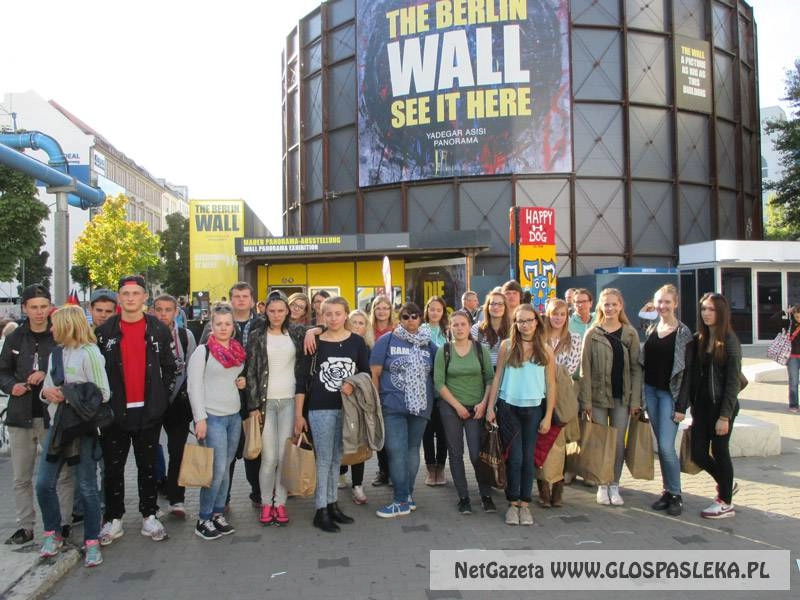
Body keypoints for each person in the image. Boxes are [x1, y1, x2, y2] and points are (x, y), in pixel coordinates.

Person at [95, 275, 176, 545]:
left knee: (148, 466)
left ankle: (149, 515)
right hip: (114, 413)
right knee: (113, 468)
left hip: (148, 412)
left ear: (145, 297)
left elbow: (170, 367)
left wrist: (160, 399)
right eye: (126, 293)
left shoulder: (158, 329)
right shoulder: (104, 332)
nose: (130, 298)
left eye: (136, 293)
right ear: (119, 297)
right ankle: (114, 518)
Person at [36, 305, 110, 567]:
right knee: (43, 483)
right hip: (58, 426)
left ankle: (92, 540)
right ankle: (53, 532)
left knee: (87, 486)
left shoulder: (90, 353)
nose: (51, 329)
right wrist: (46, 393)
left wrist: (68, 393)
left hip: (81, 428)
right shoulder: (56, 353)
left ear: (67, 325)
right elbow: (47, 389)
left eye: (55, 324)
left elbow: (103, 393)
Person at [0, 284, 73, 545]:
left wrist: (46, 373)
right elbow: (2, 371)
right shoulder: (15, 337)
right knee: (21, 476)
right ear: (25, 308)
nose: (39, 312)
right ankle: (25, 526)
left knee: (62, 473)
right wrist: (11, 386)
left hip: (51, 415)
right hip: (20, 416)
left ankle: (63, 522)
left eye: (43, 307)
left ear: (50, 307)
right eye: (34, 307)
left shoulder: (59, 335)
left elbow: (71, 370)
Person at [295, 296, 370, 532]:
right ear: (322, 315)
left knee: (337, 457)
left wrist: (353, 384)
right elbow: (301, 380)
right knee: (324, 458)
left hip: (347, 409)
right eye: (329, 314)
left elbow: (366, 373)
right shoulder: (314, 341)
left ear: (346, 314)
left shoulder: (357, 342)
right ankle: (320, 510)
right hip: (320, 408)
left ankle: (332, 504)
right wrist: (298, 414)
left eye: (338, 313)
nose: (334, 318)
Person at [487, 304, 555, 526]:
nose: (525, 325)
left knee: (528, 459)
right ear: (515, 323)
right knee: (514, 458)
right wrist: (490, 407)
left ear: (537, 322)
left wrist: (548, 416)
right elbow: (497, 377)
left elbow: (551, 385)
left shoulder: (546, 349)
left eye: (529, 320)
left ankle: (525, 505)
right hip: (509, 408)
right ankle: (512, 503)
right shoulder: (507, 346)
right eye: (520, 321)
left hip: (534, 409)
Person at [200, 282, 263, 509]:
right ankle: (222, 500)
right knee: (226, 455)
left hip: (251, 394)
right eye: (237, 296)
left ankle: (257, 493)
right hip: (223, 399)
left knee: (254, 446)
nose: (241, 300)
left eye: (245, 296)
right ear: (231, 299)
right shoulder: (218, 324)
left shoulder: (261, 323)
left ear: (252, 300)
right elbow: (204, 361)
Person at [371, 302, 437, 518]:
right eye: (406, 316)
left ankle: (404, 498)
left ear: (420, 318)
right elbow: (375, 374)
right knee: (396, 451)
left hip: (420, 406)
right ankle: (402, 498)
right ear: (399, 319)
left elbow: (439, 373)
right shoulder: (387, 340)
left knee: (412, 449)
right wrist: (376, 402)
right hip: (393, 405)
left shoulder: (429, 344)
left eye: (414, 316)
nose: (411, 320)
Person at [679, 293, 742, 519]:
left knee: (720, 451)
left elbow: (733, 382)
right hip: (702, 407)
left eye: (711, 309)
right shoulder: (699, 338)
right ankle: (727, 483)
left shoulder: (730, 341)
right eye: (704, 309)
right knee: (697, 453)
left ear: (721, 312)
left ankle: (725, 503)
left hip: (721, 407)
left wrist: (724, 416)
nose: (706, 313)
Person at [188, 303, 248, 539]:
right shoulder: (202, 352)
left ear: (233, 327)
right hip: (212, 417)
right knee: (216, 469)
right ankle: (203, 518)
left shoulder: (237, 351)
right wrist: (199, 419)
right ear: (211, 326)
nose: (223, 328)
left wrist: (242, 381)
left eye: (227, 324)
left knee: (226, 469)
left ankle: (217, 513)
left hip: (233, 415)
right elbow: (194, 387)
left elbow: (236, 376)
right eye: (219, 324)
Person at [246, 291, 306, 526]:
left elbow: (318, 331)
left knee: (283, 456)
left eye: (281, 310)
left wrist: (316, 330)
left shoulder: (297, 333)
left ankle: (280, 503)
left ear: (287, 311)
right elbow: (251, 371)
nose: (277, 315)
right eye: (272, 311)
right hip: (266, 403)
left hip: (289, 401)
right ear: (265, 311)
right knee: (269, 458)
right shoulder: (256, 335)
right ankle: (266, 503)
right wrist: (253, 406)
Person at [578, 288, 642, 507]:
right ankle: (601, 484)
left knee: (617, 443)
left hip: (621, 398)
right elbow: (585, 369)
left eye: (614, 304)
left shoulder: (630, 333)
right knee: (600, 442)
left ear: (621, 306)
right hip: (597, 397)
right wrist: (586, 401)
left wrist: (635, 400)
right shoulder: (592, 333)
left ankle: (614, 483)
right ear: (600, 307)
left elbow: (636, 369)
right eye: (606, 304)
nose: (611, 308)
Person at [638, 285, 693, 516]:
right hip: (650, 391)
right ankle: (667, 491)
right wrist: (648, 309)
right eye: (659, 301)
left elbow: (687, 373)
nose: (663, 306)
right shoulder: (653, 327)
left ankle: (676, 494)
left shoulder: (683, 333)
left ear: (676, 304)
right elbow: (642, 319)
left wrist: (682, 407)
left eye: (667, 302)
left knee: (667, 447)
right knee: (660, 445)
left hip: (670, 395)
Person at [434, 310, 495, 514]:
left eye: (463, 324)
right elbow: (439, 383)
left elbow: (490, 378)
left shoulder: (480, 349)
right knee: (455, 453)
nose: (459, 328)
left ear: (470, 327)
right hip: (451, 408)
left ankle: (486, 494)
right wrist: (457, 406)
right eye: (455, 325)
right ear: (449, 328)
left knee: (477, 454)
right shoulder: (444, 351)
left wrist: (484, 403)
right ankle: (463, 497)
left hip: (476, 408)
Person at [152, 294, 197, 518]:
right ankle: (150, 501)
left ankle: (176, 499)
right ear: (153, 311)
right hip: (152, 400)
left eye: (168, 310)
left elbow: (194, 369)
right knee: (149, 451)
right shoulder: (147, 334)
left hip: (178, 401)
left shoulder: (185, 336)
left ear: (176, 312)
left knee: (177, 451)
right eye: (159, 309)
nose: (163, 314)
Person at [536, 298, 581, 507]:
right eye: (555, 313)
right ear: (548, 314)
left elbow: (570, 369)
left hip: (562, 397)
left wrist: (549, 368)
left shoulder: (574, 338)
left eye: (562, 314)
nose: (558, 318)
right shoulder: (539, 336)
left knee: (559, 444)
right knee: (542, 442)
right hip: (539, 395)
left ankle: (558, 488)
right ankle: (543, 489)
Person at [338, 309, 373, 504]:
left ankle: (358, 485)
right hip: (337, 399)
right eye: (354, 322)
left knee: (359, 440)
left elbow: (367, 373)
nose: (357, 326)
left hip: (358, 399)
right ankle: (341, 472)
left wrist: (354, 383)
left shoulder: (366, 346)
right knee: (341, 437)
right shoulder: (338, 341)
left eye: (361, 323)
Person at [368, 294, 397, 487]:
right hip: (372, 383)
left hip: (391, 384)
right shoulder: (368, 330)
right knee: (379, 429)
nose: (382, 311)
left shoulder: (396, 330)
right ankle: (383, 471)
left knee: (392, 431)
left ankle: (395, 471)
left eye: (386, 307)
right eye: (378, 307)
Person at [422, 295, 449, 486]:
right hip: (425, 388)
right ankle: (430, 468)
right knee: (427, 430)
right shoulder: (421, 330)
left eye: (438, 310)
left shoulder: (447, 331)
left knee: (443, 431)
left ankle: (441, 467)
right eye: (432, 309)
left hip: (445, 388)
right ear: (427, 310)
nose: (435, 312)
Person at [471, 291, 511, 367]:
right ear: (487, 307)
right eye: (492, 304)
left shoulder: (513, 329)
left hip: (506, 371)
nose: (496, 307)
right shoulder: (476, 329)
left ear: (505, 307)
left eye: (500, 304)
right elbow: (471, 355)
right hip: (482, 371)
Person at [782, 304, 800, 413]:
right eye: (797, 316)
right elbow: (774, 320)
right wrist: (786, 311)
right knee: (793, 382)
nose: (798, 319)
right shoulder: (789, 323)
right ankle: (794, 405)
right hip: (792, 357)